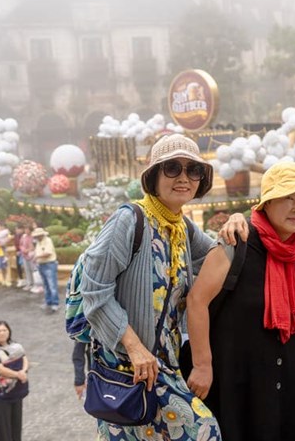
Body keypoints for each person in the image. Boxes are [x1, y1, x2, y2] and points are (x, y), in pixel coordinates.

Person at [80, 133, 222, 440]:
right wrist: (134, 348)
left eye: (193, 170)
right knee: (205, 431)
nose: (184, 177)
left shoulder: (180, 226)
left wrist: (240, 222)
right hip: (127, 368)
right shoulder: (129, 220)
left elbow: (217, 256)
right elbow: (93, 291)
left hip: (163, 367)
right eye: (172, 168)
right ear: (154, 175)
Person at [187, 161, 295, 441]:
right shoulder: (237, 243)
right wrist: (202, 366)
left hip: (285, 376)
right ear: (266, 204)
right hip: (235, 378)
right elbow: (196, 301)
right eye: (288, 198)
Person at [0, 320, 29, 441]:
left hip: (16, 393)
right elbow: (0, 370)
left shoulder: (16, 346)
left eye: (4, 330)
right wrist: (18, 374)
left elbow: (25, 358)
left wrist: (23, 371)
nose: (2, 333)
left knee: (16, 424)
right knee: (3, 428)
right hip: (1, 396)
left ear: (9, 332)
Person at [32, 227, 59, 313]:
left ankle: (55, 304)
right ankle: (48, 302)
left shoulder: (48, 240)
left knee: (52, 285)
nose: (37, 237)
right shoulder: (38, 242)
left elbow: (48, 253)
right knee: (46, 285)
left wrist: (36, 257)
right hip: (41, 265)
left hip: (49, 264)